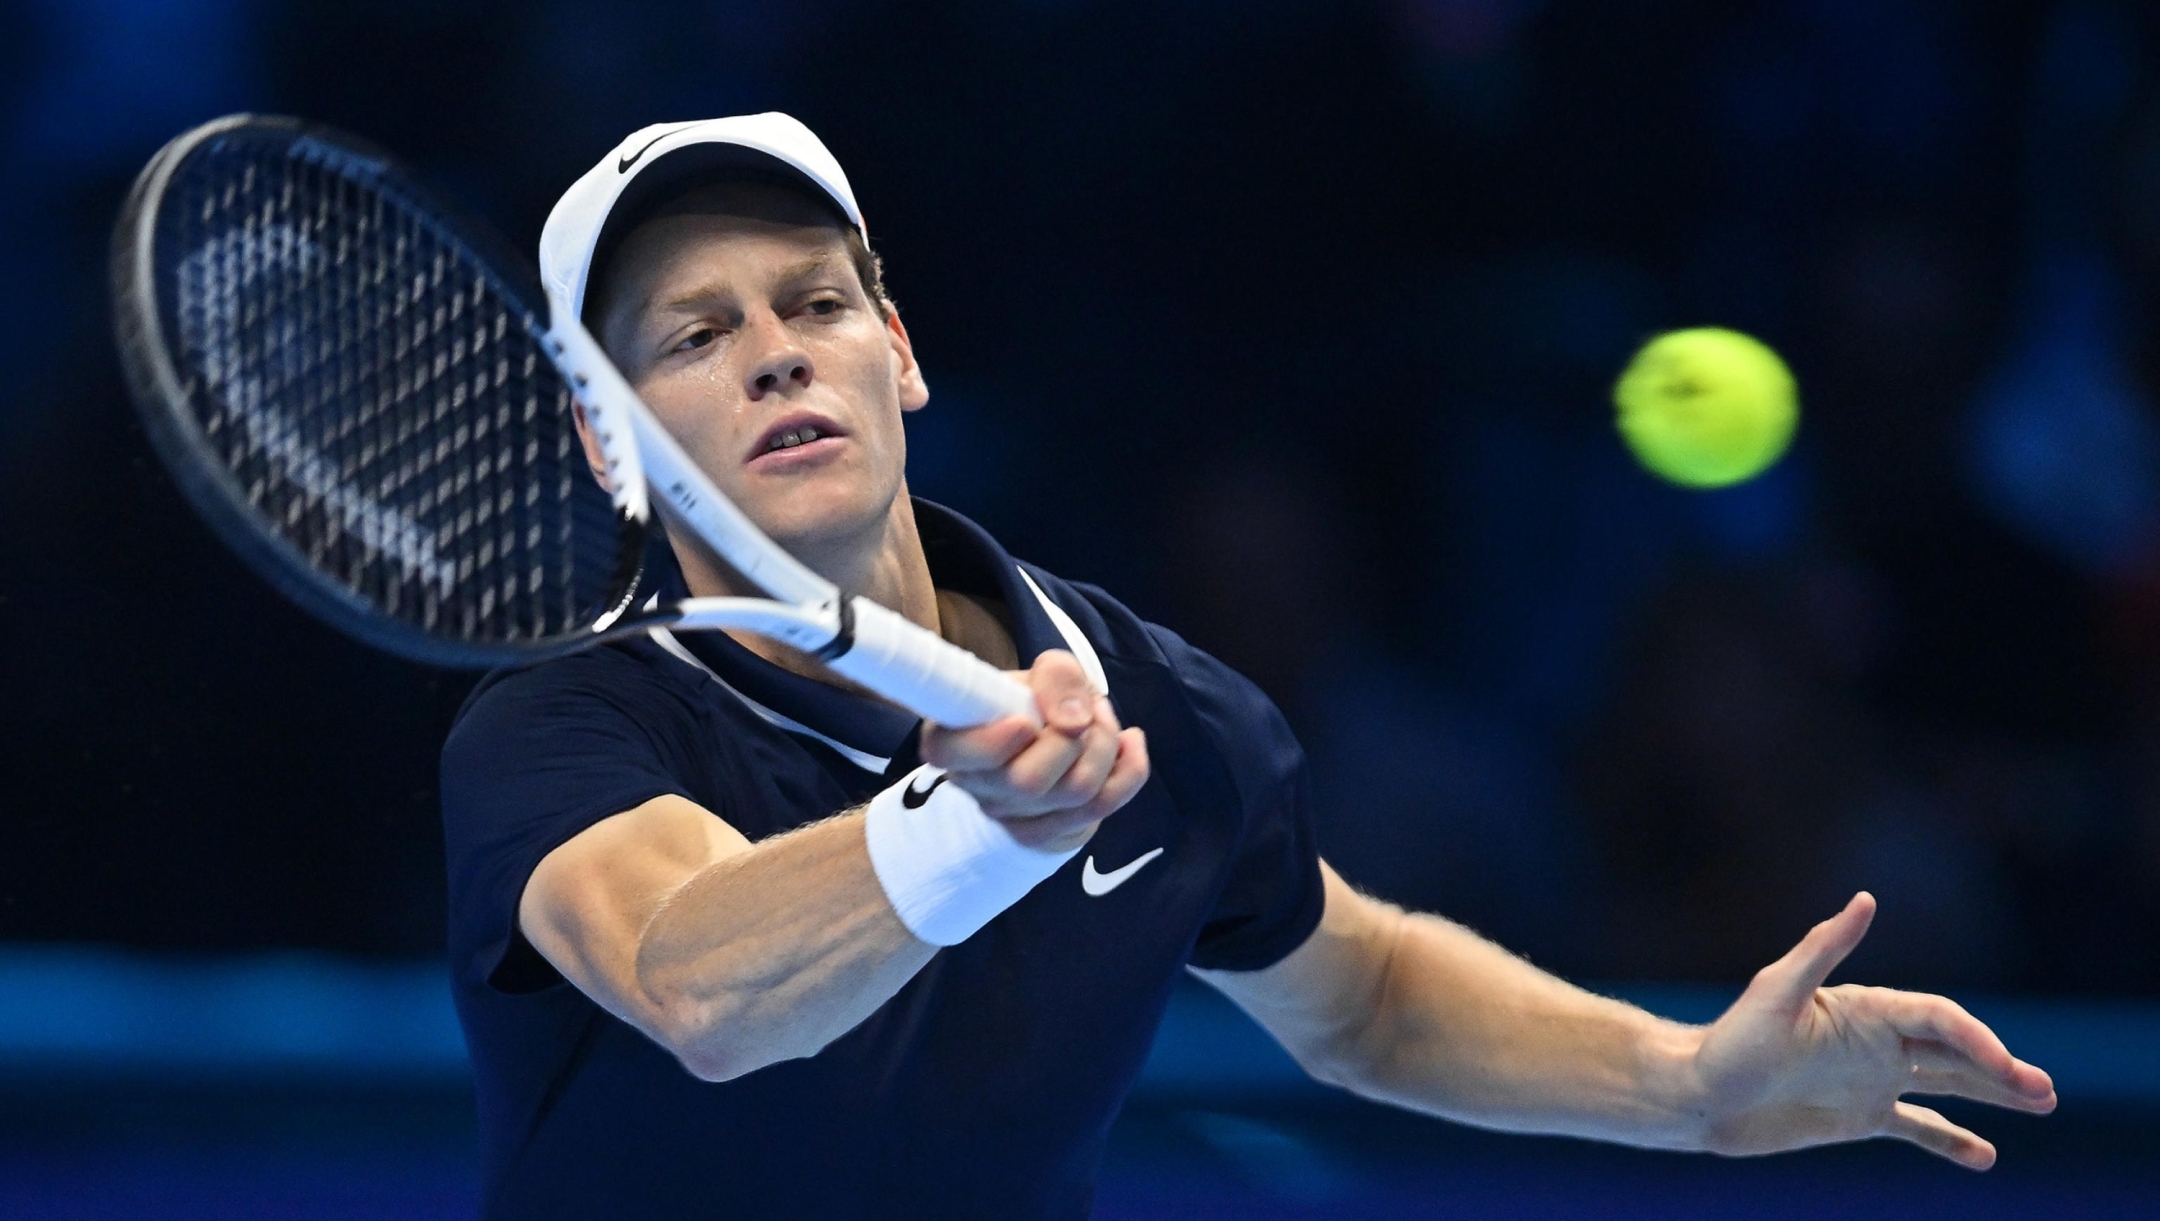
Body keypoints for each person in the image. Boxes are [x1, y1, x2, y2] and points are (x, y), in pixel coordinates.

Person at [439, 114, 2056, 1219]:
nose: (779, 347)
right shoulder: (568, 723)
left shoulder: (1160, 705)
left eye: (814, 299)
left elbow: (1363, 990)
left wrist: (1684, 1078)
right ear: (608, 439)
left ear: (901, 349)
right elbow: (693, 983)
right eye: (694, 335)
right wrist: (965, 826)